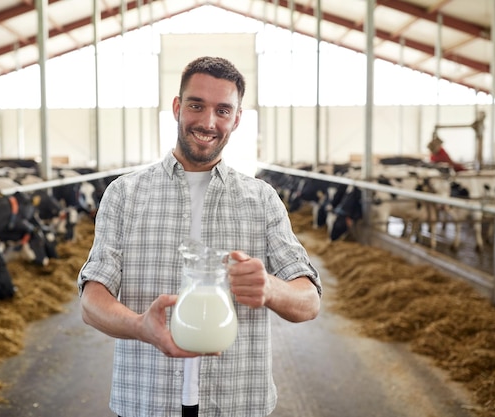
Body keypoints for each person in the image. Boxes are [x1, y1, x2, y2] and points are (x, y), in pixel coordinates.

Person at [78, 56, 322, 417]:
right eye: (196, 105)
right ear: (178, 107)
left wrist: (271, 287)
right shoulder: (124, 194)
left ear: (236, 119)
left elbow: (309, 302)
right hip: (147, 400)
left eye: (223, 110)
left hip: (237, 400)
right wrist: (140, 326)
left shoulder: (261, 199)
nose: (208, 122)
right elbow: (91, 300)